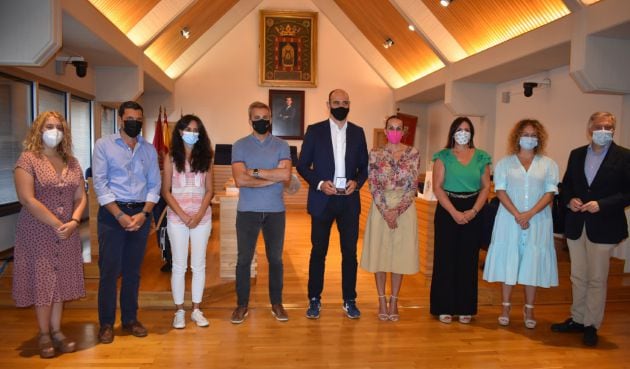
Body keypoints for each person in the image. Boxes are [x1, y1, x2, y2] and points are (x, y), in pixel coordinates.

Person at [551, 111, 630, 346]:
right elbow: (566, 186)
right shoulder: (576, 155)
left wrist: (602, 204)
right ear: (590, 128)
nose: (604, 131)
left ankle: (591, 324)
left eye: (609, 127)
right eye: (599, 126)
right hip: (576, 224)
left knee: (597, 278)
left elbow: (628, 192)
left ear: (613, 130)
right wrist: (569, 199)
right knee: (578, 276)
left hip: (604, 225)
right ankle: (577, 318)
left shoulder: (624, 157)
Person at [13, 111, 86, 358]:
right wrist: (57, 223)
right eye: (49, 126)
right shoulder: (28, 160)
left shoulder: (72, 162)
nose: (54, 131)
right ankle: (44, 334)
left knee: (61, 282)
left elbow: (81, 196)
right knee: (43, 282)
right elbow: (27, 198)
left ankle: (57, 331)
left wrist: (75, 221)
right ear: (38, 130)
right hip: (38, 232)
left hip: (68, 231)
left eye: (58, 127)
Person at [92, 101, 161, 343]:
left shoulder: (149, 150)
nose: (134, 122)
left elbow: (155, 185)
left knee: (133, 271)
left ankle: (130, 319)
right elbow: (100, 184)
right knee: (109, 272)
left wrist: (144, 214)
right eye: (130, 118)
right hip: (113, 215)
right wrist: (119, 215)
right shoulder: (104, 145)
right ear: (121, 120)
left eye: (138, 119)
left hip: (141, 213)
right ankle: (107, 324)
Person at [297, 89, 369, 319]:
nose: (341, 106)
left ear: (350, 104)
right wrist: (319, 184)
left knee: (349, 253)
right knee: (319, 252)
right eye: (336, 102)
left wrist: (356, 183)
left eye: (345, 102)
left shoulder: (358, 133)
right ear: (328, 104)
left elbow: (364, 167)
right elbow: (301, 165)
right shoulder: (315, 131)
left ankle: (349, 299)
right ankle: (314, 299)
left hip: (348, 201)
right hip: (322, 200)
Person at [483, 119, 559, 329]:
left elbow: (550, 192)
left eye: (534, 135)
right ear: (517, 137)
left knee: (531, 262)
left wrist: (530, 214)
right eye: (525, 134)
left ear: (539, 138)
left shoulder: (548, 164)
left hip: (538, 219)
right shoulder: (505, 163)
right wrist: (518, 214)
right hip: (509, 218)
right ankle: (505, 307)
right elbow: (500, 190)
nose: (529, 138)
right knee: (510, 259)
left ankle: (529, 308)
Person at [230, 101, 291, 324]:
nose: (261, 121)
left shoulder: (282, 145)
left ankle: (276, 303)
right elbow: (239, 179)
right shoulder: (239, 145)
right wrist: (271, 176)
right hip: (247, 211)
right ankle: (241, 305)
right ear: (250, 120)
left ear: (271, 119)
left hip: (275, 212)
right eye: (256, 117)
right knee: (244, 260)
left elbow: (286, 177)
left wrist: (254, 172)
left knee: (275, 259)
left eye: (265, 117)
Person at [430, 117, 491, 324]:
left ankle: (466, 307)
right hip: (448, 209)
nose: (463, 133)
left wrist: (473, 211)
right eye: (459, 129)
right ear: (452, 132)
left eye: (467, 130)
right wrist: (454, 212)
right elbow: (437, 187)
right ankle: (443, 306)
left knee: (468, 259)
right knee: (445, 259)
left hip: (473, 208)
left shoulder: (482, 157)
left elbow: (485, 187)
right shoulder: (443, 156)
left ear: (472, 133)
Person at [360, 116, 419, 321]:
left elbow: (413, 186)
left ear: (404, 131)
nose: (394, 131)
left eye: (398, 128)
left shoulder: (413, 153)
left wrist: (397, 211)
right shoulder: (375, 153)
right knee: (380, 254)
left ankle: (394, 300)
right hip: (380, 207)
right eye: (391, 128)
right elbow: (373, 184)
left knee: (399, 257)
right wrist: (386, 211)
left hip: (405, 208)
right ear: (385, 131)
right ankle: (382, 300)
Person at [161, 114, 213, 329]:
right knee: (179, 266)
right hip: (177, 218)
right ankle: (179, 311)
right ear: (180, 132)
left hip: (202, 218)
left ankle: (197, 310)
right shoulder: (171, 157)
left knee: (199, 265)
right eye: (188, 129)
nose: (192, 133)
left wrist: (199, 213)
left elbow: (210, 190)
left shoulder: (207, 157)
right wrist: (183, 215)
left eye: (195, 130)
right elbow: (165, 191)